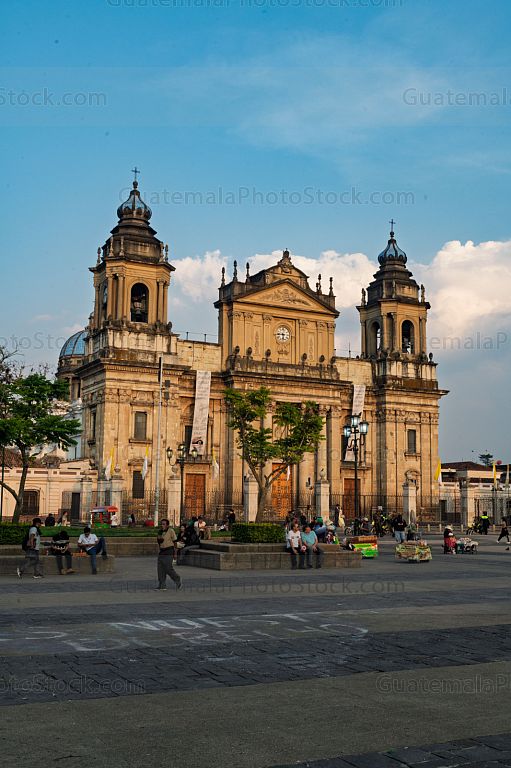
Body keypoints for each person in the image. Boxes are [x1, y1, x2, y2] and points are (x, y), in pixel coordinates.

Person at [155, 519, 182, 591]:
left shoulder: (171, 531)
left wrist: (175, 553)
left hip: (169, 551)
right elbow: (159, 542)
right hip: (162, 552)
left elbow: (175, 542)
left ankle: (177, 579)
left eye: (164, 524)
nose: (162, 525)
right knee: (160, 569)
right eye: (162, 524)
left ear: (167, 525)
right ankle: (162, 585)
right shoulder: (160, 532)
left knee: (168, 568)